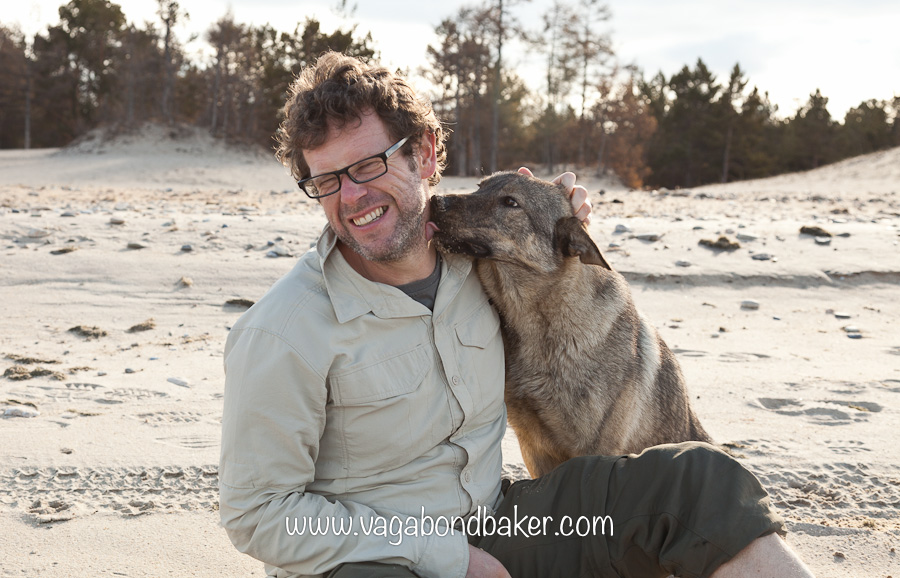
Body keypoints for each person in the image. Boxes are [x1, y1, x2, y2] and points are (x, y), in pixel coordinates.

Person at [219, 51, 815, 578]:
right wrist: (446, 557)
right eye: (326, 181)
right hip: (371, 558)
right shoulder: (282, 332)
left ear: (425, 153)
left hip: (500, 529)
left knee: (699, 482)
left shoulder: (482, 271)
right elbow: (258, 517)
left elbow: (562, 274)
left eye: (368, 166)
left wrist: (562, 211)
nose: (351, 198)